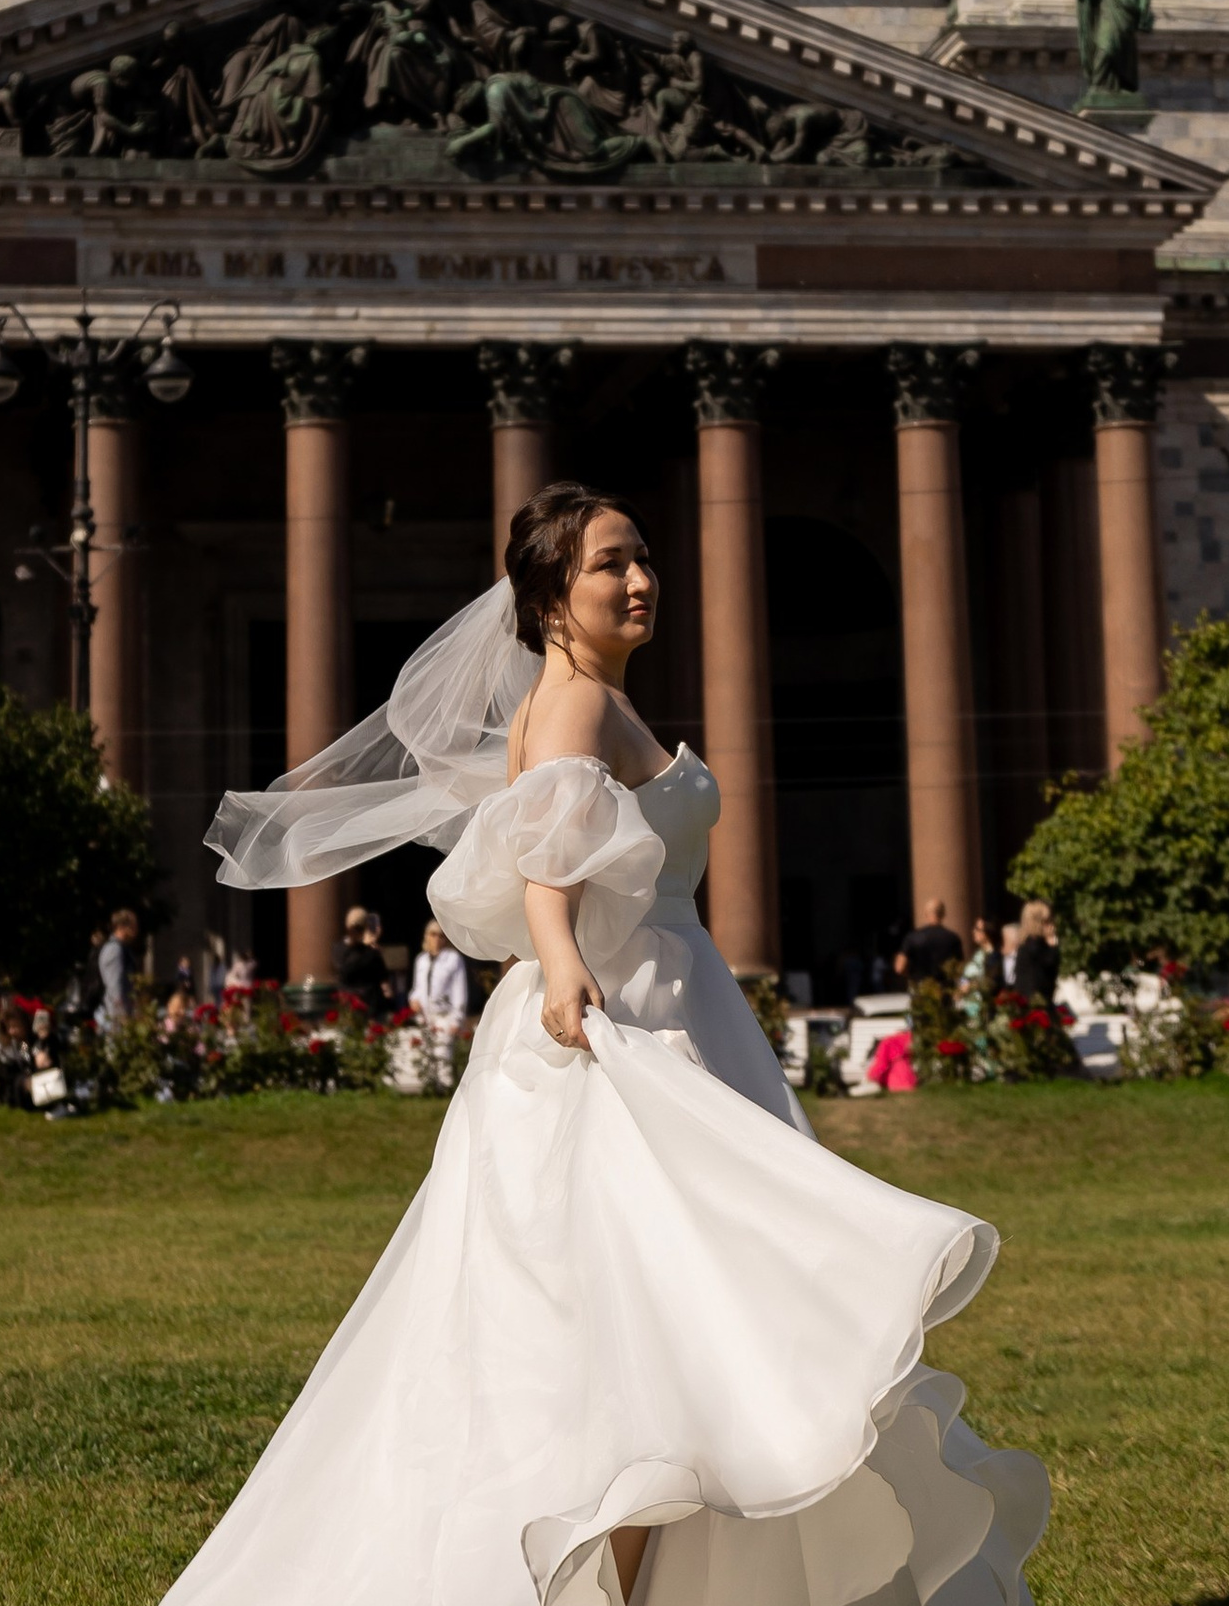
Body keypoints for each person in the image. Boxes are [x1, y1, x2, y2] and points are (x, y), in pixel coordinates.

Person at [189, 482, 1046, 1606]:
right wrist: (560, 962)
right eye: (610, 563)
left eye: (642, 557)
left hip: (670, 1000)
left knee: (676, 1330)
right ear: (551, 596)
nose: (640, 580)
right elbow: (545, 860)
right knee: (649, 1341)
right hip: (617, 1023)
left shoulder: (592, 700)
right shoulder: (573, 708)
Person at [892, 897, 962, 993]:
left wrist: (911, 975)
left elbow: (899, 968)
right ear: (943, 914)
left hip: (920, 989)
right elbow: (959, 969)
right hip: (944, 990)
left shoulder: (913, 937)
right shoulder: (953, 938)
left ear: (926, 913)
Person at [409, 918, 470, 1029]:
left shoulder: (453, 959)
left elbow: (459, 990)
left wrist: (457, 1020)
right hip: (424, 1018)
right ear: (426, 936)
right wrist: (414, 999)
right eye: (433, 934)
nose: (436, 939)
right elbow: (418, 987)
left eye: (441, 936)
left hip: (445, 1018)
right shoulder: (421, 960)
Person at [335, 907, 394, 1012]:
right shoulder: (341, 949)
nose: (355, 932)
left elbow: (384, 980)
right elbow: (345, 970)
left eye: (359, 928)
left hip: (366, 1005)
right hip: (353, 1006)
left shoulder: (371, 952)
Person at [1011, 901, 1060, 1005]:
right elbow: (1049, 963)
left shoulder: (1027, 943)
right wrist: (1053, 944)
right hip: (1034, 1001)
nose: (1052, 925)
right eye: (1047, 922)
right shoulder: (1034, 944)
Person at [96, 910, 139, 1030]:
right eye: (133, 926)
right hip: (116, 1018)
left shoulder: (123, 949)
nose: (136, 930)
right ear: (122, 927)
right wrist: (122, 1017)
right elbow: (114, 985)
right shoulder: (114, 950)